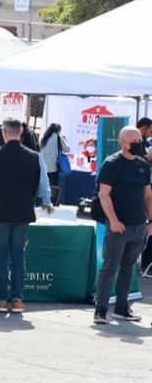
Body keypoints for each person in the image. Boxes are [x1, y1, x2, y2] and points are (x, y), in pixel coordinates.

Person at [0, 118, 43, 314]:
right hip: (23, 213)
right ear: (21, 132)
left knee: (0, 257)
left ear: (4, 132)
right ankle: (17, 300)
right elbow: (35, 187)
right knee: (18, 256)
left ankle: (0, 299)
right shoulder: (33, 156)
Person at [93, 126, 152, 325]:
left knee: (128, 268)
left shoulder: (143, 165)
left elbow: (148, 195)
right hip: (118, 227)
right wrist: (114, 220)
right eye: (134, 141)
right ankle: (100, 309)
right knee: (109, 268)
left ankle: (121, 307)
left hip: (138, 226)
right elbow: (104, 194)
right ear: (123, 142)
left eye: (139, 140)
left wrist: (150, 221)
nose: (138, 144)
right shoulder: (112, 164)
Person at [40, 123, 69, 204]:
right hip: (54, 167)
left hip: (43, 166)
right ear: (58, 130)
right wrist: (65, 139)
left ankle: (43, 201)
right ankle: (54, 202)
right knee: (54, 185)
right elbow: (67, 149)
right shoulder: (58, 137)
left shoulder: (44, 137)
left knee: (44, 184)